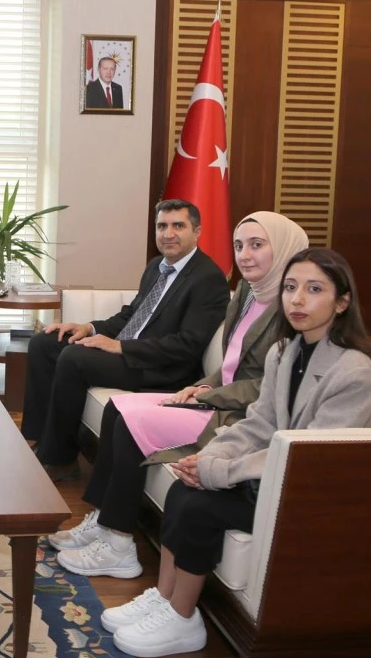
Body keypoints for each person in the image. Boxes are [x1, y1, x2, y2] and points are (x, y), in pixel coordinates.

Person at [102, 248, 371, 658]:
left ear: (342, 302)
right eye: (291, 288)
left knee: (200, 506)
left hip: (317, 495)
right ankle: (166, 597)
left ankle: (184, 620)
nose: (298, 299)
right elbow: (259, 424)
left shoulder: (356, 372)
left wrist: (220, 472)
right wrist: (208, 458)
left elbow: (307, 455)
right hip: (280, 477)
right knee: (182, 487)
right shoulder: (285, 352)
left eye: (315, 289)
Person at [50, 212, 309, 579]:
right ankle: (104, 520)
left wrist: (213, 394)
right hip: (215, 396)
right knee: (117, 409)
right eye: (239, 246)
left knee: (132, 422)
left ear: (283, 247)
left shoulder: (293, 309)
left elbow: (271, 385)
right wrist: (204, 384)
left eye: (257, 245)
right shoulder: (248, 293)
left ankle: (119, 545)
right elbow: (233, 363)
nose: (245, 255)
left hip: (239, 415)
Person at [23, 199, 228, 481]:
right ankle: (40, 443)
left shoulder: (208, 278)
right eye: (162, 226)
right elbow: (132, 316)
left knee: (74, 358)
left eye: (178, 226)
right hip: (131, 354)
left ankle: (60, 460)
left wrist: (120, 346)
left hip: (161, 368)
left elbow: (187, 345)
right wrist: (89, 328)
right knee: (44, 342)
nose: (168, 234)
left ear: (197, 231)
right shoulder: (157, 266)